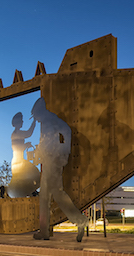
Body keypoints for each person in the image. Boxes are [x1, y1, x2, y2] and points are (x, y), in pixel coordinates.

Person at [30, 97, 88, 242]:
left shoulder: (51, 119)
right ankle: (44, 231)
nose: (36, 120)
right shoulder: (45, 122)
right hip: (49, 161)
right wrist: (38, 154)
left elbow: (67, 131)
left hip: (53, 161)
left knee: (56, 194)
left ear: (40, 112)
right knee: (47, 196)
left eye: (36, 116)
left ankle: (79, 221)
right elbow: (45, 141)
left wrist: (64, 151)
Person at [7, 112, 40, 198]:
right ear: (17, 123)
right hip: (19, 162)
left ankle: (30, 192)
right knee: (36, 175)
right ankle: (31, 192)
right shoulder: (17, 133)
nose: (23, 122)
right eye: (21, 121)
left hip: (17, 161)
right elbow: (29, 133)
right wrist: (34, 122)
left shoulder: (15, 133)